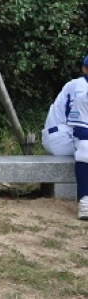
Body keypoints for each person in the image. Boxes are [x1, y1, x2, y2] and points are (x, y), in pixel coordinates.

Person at [42, 55, 88, 220]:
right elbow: (80, 131)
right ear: (85, 69)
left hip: (71, 132)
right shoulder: (81, 88)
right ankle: (85, 201)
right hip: (59, 136)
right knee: (85, 146)